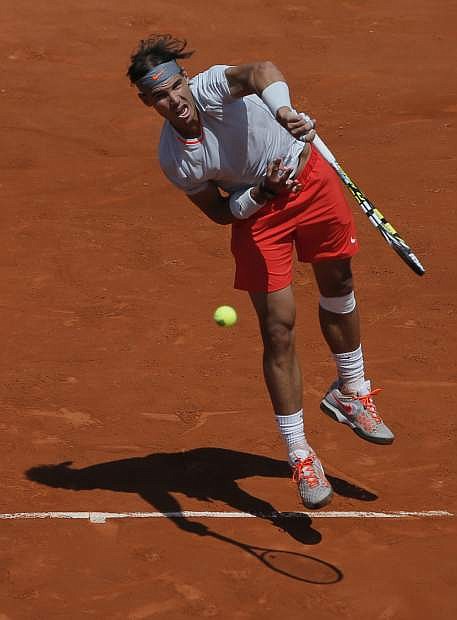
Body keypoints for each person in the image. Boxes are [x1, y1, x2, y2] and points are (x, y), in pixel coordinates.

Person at [126, 34, 394, 510]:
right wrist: (264, 194)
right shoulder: (176, 159)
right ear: (148, 102)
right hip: (259, 214)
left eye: (175, 86)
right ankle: (299, 453)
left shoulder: (210, 88)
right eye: (159, 96)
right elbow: (222, 213)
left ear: (186, 79)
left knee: (341, 284)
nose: (173, 100)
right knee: (278, 329)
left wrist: (284, 111)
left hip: (309, 177)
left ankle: (351, 391)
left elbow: (260, 71)